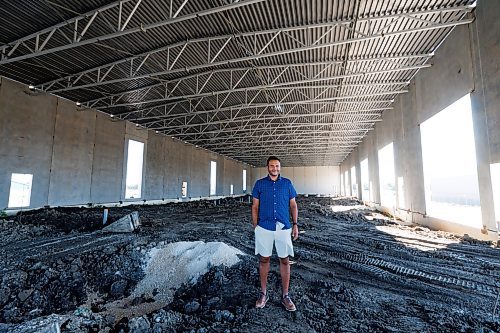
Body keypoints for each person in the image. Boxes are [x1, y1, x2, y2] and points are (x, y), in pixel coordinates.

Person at [251, 156, 299, 311]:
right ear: (267, 167)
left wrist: (295, 224)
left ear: (280, 167)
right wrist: (256, 226)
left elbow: (293, 205)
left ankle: (285, 296)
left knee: (284, 260)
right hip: (264, 227)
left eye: (277, 166)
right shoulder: (260, 184)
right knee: (264, 259)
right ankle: (263, 293)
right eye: (272, 166)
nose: (275, 169)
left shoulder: (287, 184)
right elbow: (254, 207)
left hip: (284, 228)